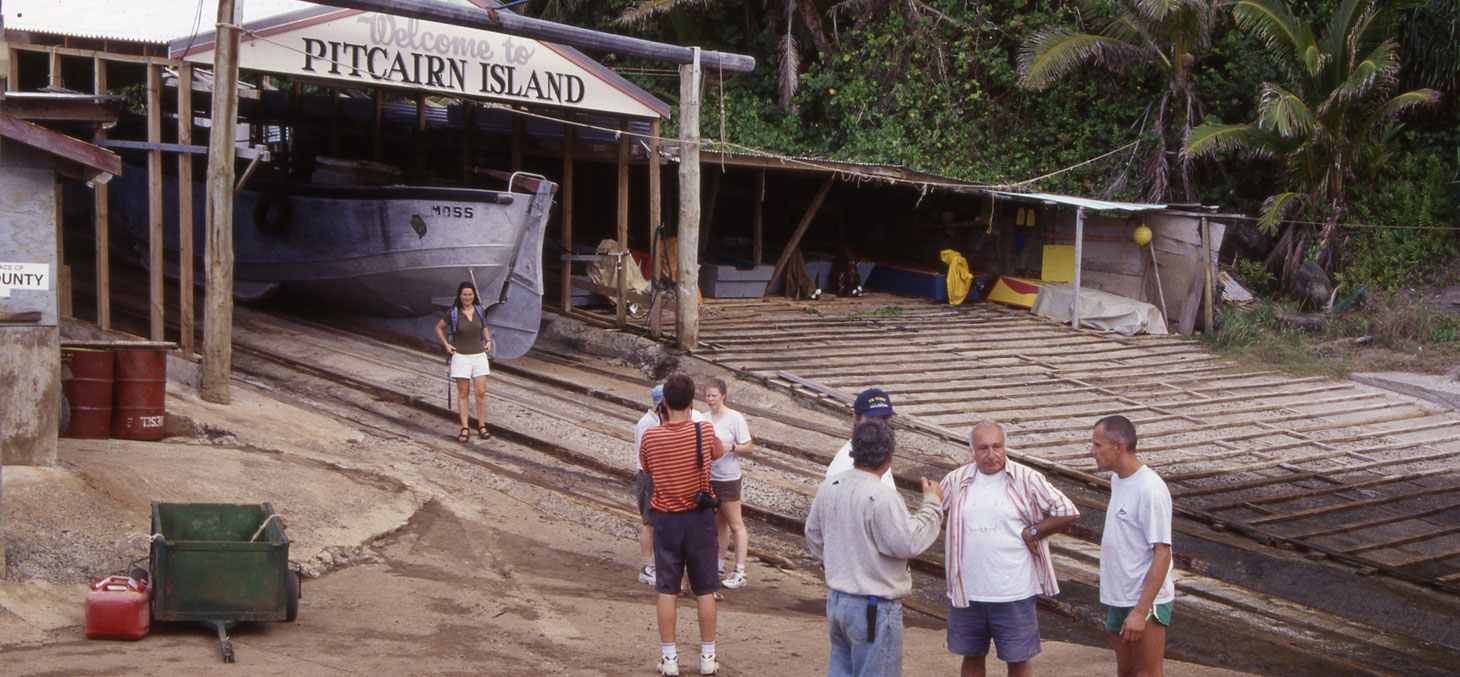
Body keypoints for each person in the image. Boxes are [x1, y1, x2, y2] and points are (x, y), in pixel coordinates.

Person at [805, 418, 944, 677]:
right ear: (889, 456)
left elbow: (813, 533)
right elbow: (908, 542)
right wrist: (932, 504)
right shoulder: (882, 496)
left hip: (838, 601)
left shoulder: (829, 487)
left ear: (853, 450)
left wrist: (835, 560)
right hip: (872, 606)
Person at [940, 422, 1080, 677]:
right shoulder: (956, 479)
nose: (991, 454)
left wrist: (1033, 532)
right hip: (967, 591)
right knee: (971, 657)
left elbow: (1067, 511)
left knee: (1018, 660)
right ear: (971, 451)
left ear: (1006, 448)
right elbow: (937, 513)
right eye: (982, 448)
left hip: (1013, 591)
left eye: (997, 446)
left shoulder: (1028, 478)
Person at [640, 374, 726, 676]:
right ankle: (707, 657)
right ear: (692, 403)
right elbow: (717, 452)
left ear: (663, 403)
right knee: (705, 589)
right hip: (699, 518)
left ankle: (669, 659)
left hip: (666, 519)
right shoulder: (703, 429)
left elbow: (647, 468)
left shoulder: (651, 436)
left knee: (667, 588)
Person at [1091, 415, 1173, 677]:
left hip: (1143, 600)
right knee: (1126, 671)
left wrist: (1141, 611)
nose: (1092, 452)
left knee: (1146, 672)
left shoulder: (1150, 489)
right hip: (1119, 594)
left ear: (1118, 447)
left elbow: (1162, 553)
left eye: (1097, 445)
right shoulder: (1118, 480)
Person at [634, 384, 709, 585]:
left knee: (659, 523)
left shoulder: (657, 425)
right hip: (649, 477)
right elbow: (647, 462)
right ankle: (647, 565)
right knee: (650, 522)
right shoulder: (646, 425)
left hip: (660, 475)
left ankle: (664, 569)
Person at [703, 378, 754, 589]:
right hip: (709, 476)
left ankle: (740, 570)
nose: (710, 399)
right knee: (718, 521)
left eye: (714, 395)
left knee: (735, 522)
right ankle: (719, 563)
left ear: (723, 395)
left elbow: (749, 447)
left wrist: (729, 447)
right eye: (707, 395)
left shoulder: (735, 418)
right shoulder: (703, 418)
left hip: (728, 477)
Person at [433, 281, 492, 443]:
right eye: (465, 294)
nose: (468, 297)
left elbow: (484, 326)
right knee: (463, 393)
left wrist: (488, 341)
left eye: (470, 294)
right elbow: (438, 328)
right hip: (461, 357)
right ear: (460, 296)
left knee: (481, 392)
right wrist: (446, 345)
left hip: (479, 356)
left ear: (474, 296)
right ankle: (465, 427)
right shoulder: (453, 313)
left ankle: (481, 425)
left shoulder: (480, 311)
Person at [825, 388, 897, 491]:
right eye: (873, 419)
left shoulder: (880, 454)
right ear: (856, 420)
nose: (879, 425)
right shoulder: (844, 465)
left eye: (884, 418)